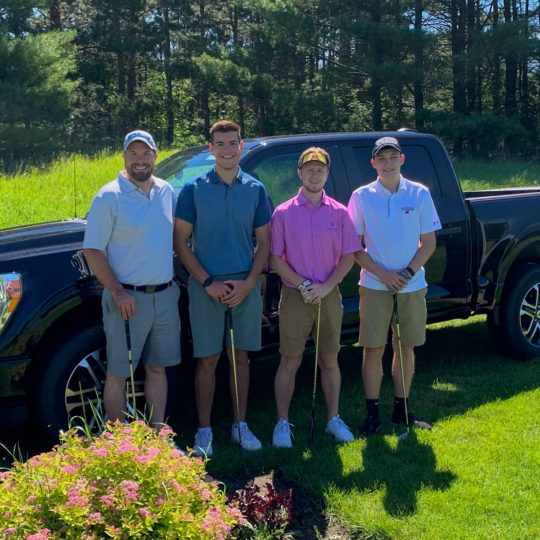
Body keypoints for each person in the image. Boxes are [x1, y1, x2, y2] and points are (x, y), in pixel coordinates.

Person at [174, 120, 271, 456]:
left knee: (240, 358)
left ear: (241, 146)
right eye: (221, 144)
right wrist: (208, 282)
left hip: (244, 285)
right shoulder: (194, 189)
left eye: (233, 143)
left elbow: (264, 243)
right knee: (207, 360)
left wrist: (249, 284)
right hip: (206, 287)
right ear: (211, 148)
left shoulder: (255, 189)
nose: (227, 149)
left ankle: (240, 425)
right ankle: (204, 431)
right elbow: (180, 241)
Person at [83, 130, 181, 429]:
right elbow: (92, 250)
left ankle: (159, 436)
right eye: (134, 153)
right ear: (124, 157)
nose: (140, 160)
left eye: (146, 153)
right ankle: (120, 444)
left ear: (155, 156)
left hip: (165, 296)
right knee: (119, 374)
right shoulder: (109, 196)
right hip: (127, 299)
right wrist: (117, 292)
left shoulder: (166, 191)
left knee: (157, 369)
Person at [347, 136, 441, 436]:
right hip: (374, 285)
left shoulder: (419, 193)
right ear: (373, 162)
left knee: (405, 346)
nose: (387, 163)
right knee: (373, 348)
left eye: (392, 157)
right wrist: (385, 275)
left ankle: (401, 412)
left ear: (402, 159)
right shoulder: (361, 196)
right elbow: (355, 248)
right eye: (381, 158)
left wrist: (407, 273)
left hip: (411, 286)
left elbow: (429, 242)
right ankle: (372, 415)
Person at [269, 147, 362, 447]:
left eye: (320, 169)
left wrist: (326, 287)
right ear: (300, 173)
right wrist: (304, 285)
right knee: (290, 360)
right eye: (309, 169)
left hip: (329, 295)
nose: (314, 174)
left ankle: (333, 419)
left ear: (327, 173)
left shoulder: (339, 212)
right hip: (295, 296)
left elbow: (348, 256)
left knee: (329, 360)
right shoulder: (283, 212)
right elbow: (275, 259)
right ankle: (282, 423)